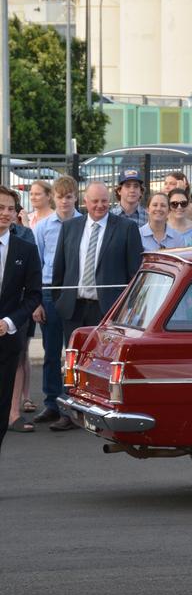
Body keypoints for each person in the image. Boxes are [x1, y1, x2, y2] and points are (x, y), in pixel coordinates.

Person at [52, 181, 143, 431]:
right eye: (94, 201)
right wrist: (61, 301)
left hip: (107, 310)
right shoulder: (70, 227)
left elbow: (135, 274)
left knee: (103, 363)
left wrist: (129, 310)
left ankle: (101, 414)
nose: (100, 206)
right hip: (73, 306)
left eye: (104, 201)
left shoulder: (125, 228)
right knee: (72, 361)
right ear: (85, 202)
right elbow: (60, 268)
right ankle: (70, 411)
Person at [31, 176, 81, 428]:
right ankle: (51, 403)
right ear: (54, 198)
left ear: (75, 198)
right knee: (51, 352)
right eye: (60, 197)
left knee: (73, 353)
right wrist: (37, 301)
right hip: (50, 292)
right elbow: (36, 266)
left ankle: (72, 405)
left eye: (69, 196)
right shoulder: (42, 227)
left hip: (75, 292)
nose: (64, 201)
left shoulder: (84, 224)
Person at [0, 184, 42, 456]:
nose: (5, 213)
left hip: (6, 342)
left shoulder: (25, 249)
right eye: (0, 208)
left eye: (10, 209)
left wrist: (9, 322)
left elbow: (33, 295)